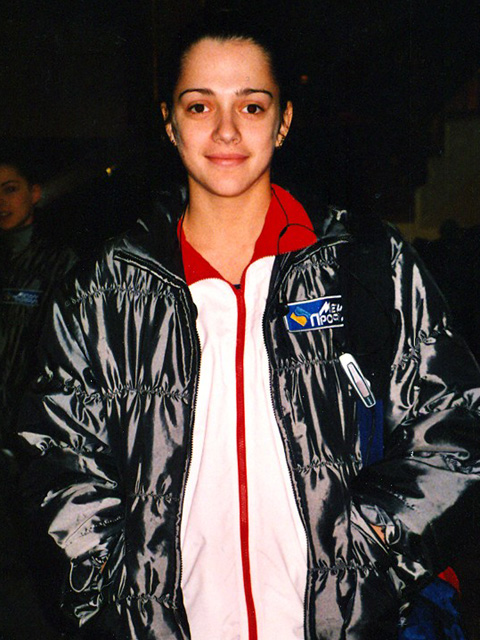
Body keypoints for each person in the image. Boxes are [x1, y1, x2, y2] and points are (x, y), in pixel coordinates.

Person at [16, 10, 480, 640]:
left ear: (283, 121)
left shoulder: (367, 264)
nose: (227, 130)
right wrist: (118, 589)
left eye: (252, 106)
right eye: (200, 106)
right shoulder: (103, 291)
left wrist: (370, 543)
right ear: (169, 123)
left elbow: (450, 426)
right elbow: (56, 459)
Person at [0, 157, 76, 638]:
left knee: (33, 569)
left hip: (26, 445)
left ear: (35, 193)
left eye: (10, 188)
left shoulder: (59, 262)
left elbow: (63, 358)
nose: (0, 202)